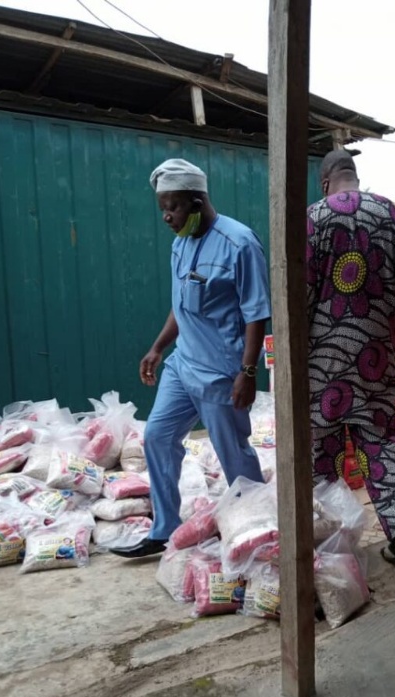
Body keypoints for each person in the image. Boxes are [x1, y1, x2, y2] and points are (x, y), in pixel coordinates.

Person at [110, 158, 271, 558]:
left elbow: (257, 314)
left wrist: (248, 372)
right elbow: (181, 305)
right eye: (162, 206)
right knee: (158, 436)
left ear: (197, 201)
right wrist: (158, 346)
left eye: (174, 206)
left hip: (221, 372)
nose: (166, 216)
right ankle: (165, 529)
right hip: (182, 365)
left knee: (233, 454)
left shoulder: (239, 244)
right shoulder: (181, 243)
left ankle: (259, 531)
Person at [306, 149, 395, 565]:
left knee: (321, 447)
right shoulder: (394, 215)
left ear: (325, 183)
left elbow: (298, 296)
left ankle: (331, 539)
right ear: (355, 177)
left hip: (322, 357)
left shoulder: (312, 218)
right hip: (376, 352)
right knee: (380, 439)